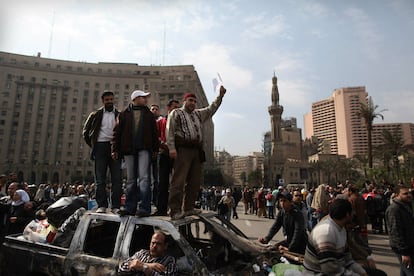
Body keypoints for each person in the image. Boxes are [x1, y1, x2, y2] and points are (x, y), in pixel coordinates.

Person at [166, 86, 227, 220]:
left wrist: (220, 96)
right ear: (184, 101)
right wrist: (171, 148)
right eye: (190, 100)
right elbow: (169, 130)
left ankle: (188, 207)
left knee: (195, 181)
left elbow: (212, 108)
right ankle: (174, 210)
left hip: (197, 151)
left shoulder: (198, 114)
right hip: (183, 149)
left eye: (194, 101)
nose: (193, 103)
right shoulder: (176, 113)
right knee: (179, 180)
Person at [112, 90, 159, 217]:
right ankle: (129, 207)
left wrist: (155, 149)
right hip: (129, 150)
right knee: (131, 180)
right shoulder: (124, 114)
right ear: (136, 98)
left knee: (144, 178)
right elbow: (117, 133)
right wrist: (115, 149)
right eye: (143, 97)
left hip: (144, 149)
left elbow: (155, 134)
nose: (146, 100)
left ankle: (144, 208)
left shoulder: (149, 114)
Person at [302, 199, 367, 275]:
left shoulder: (341, 229)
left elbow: (347, 259)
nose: (354, 214)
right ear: (347, 214)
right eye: (352, 211)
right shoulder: (326, 232)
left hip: (337, 269)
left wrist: (362, 272)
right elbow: (329, 268)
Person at [83, 90, 122, 214]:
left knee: (117, 179)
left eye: (111, 99)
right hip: (100, 147)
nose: (109, 102)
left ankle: (115, 205)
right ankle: (102, 205)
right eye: (107, 100)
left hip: (115, 147)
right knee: (100, 179)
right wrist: (94, 145)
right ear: (103, 101)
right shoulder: (95, 114)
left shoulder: (120, 114)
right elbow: (86, 132)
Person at [152, 100, 179, 216]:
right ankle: (161, 209)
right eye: (174, 107)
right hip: (163, 154)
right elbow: (155, 136)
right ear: (168, 108)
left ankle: (175, 209)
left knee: (177, 183)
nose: (176, 110)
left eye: (178, 108)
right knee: (162, 183)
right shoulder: (161, 121)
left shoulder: (180, 122)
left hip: (177, 156)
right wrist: (163, 145)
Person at [385, 185, 414, 276]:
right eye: (405, 194)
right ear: (397, 195)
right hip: (402, 248)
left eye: (409, 193)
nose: (409, 195)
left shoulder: (405, 206)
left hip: (409, 245)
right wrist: (404, 253)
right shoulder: (394, 209)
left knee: (405, 271)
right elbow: (396, 232)